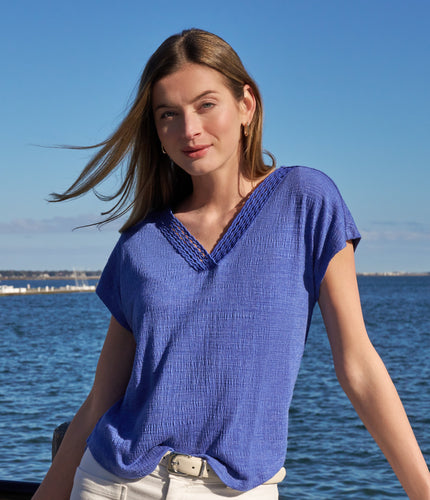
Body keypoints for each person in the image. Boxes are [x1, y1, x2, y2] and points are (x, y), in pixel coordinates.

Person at [32, 28, 429, 500]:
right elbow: (103, 398)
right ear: (156, 131)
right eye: (168, 114)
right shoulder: (141, 242)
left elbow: (357, 364)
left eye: (206, 105)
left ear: (246, 105)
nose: (189, 129)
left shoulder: (306, 200)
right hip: (115, 485)